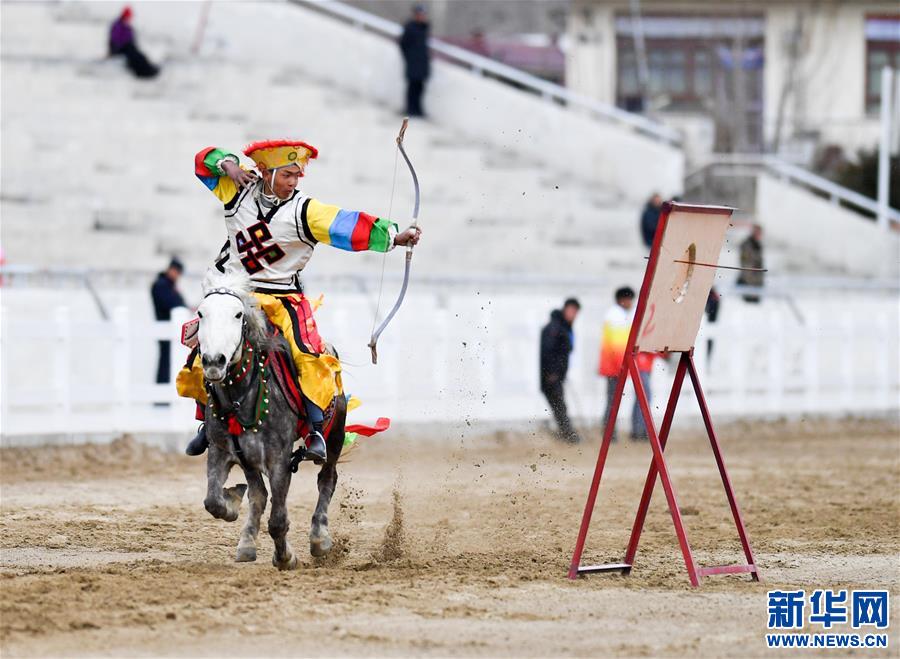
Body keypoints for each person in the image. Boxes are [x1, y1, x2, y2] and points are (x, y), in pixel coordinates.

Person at [176, 140, 421, 462]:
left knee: (308, 354)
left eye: (297, 175)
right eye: (287, 174)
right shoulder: (236, 189)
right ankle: (206, 424)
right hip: (235, 291)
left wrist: (394, 237)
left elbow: (347, 225)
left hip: (283, 297)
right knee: (208, 346)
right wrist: (228, 165)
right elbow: (202, 160)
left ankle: (316, 429)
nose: (293, 181)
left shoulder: (306, 210)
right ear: (265, 171)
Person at [598, 287, 656, 441]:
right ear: (622, 300)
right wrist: (625, 366)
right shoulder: (615, 316)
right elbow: (617, 346)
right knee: (613, 400)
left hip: (617, 364)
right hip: (615, 365)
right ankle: (610, 432)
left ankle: (610, 432)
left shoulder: (618, 315)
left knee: (613, 400)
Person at [539, 298, 582, 444]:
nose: (573, 314)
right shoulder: (554, 328)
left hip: (557, 375)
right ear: (565, 309)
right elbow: (548, 352)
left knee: (560, 405)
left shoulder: (564, 327)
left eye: (575, 312)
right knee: (560, 406)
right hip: (552, 376)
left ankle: (566, 433)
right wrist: (552, 373)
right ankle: (568, 434)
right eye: (571, 310)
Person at [151, 258, 187, 386]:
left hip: (170, 328)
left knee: (168, 361)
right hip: (167, 327)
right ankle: (162, 393)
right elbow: (173, 304)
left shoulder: (167, 285)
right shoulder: (161, 285)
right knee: (166, 362)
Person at [108, 6, 160, 79]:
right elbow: (116, 40)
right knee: (134, 56)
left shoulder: (127, 26)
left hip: (128, 47)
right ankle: (142, 72)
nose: (129, 18)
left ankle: (149, 69)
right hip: (119, 49)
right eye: (128, 16)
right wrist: (125, 44)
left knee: (140, 55)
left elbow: (132, 39)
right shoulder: (118, 25)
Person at [399, 4, 431, 117]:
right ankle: (410, 110)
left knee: (420, 87)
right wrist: (409, 57)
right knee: (412, 87)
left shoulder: (424, 27)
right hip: (413, 62)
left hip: (422, 63)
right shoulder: (410, 27)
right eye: (420, 14)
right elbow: (403, 44)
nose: (422, 16)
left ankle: (418, 111)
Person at [737, 224, 765, 303]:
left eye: (760, 233)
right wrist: (751, 282)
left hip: (756, 284)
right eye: (757, 232)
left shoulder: (758, 245)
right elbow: (746, 265)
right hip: (748, 283)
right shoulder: (747, 245)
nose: (759, 235)